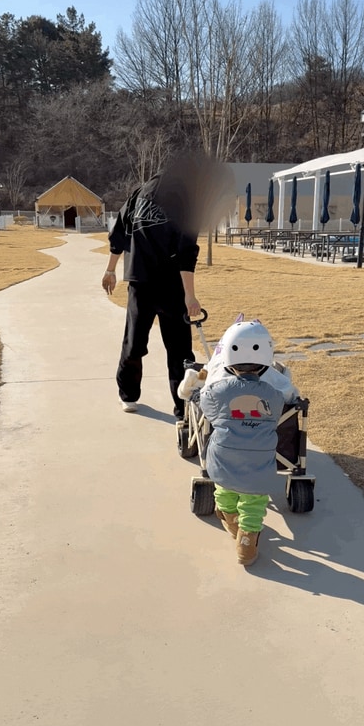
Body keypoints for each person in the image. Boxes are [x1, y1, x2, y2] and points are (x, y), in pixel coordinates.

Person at [102, 172, 201, 418]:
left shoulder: (139, 194)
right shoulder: (184, 202)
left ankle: (144, 398)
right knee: (175, 349)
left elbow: (118, 235)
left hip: (145, 283)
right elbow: (187, 251)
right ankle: (181, 406)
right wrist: (190, 296)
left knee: (137, 342)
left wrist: (111, 269)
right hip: (159, 284)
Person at [198, 320, 285, 566]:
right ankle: (247, 541)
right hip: (260, 460)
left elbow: (206, 406)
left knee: (224, 487)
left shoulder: (217, 391)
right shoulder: (274, 394)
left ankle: (229, 516)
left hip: (224, 457)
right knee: (254, 499)